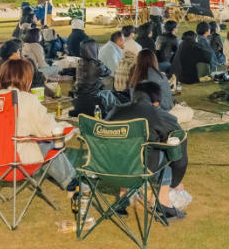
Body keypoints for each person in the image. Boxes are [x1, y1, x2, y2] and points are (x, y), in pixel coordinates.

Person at [0, 59, 77, 190]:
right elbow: (50, 130)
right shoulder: (27, 99)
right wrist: (69, 128)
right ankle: (71, 182)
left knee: (38, 140)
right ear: (26, 78)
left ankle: (69, 180)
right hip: (16, 163)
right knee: (49, 143)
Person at [107, 81, 187, 219]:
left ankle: (122, 199)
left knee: (123, 148)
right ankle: (163, 203)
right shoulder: (158, 114)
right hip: (141, 169)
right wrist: (175, 181)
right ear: (156, 102)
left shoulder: (115, 111)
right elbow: (179, 146)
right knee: (166, 149)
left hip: (109, 168)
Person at [71, 39, 114, 117]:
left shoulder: (80, 62)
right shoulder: (96, 65)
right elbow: (108, 72)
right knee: (112, 97)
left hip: (79, 99)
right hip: (93, 100)